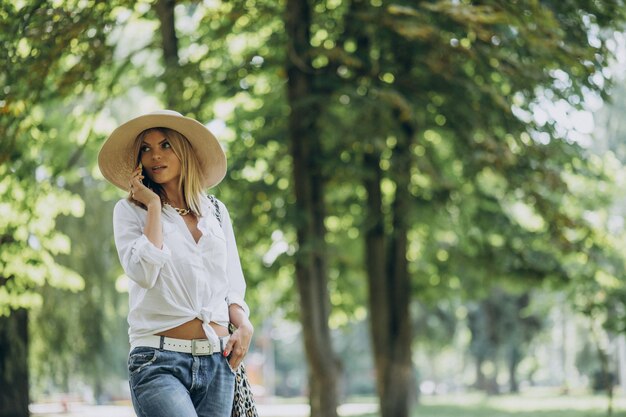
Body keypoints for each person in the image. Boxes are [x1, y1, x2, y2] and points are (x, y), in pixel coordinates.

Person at [97, 109, 253, 417]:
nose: (155, 156)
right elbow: (143, 272)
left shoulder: (217, 212)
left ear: (184, 151)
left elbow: (231, 284)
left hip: (218, 361)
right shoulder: (129, 211)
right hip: (157, 361)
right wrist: (153, 206)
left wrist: (245, 324)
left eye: (165, 145)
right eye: (146, 148)